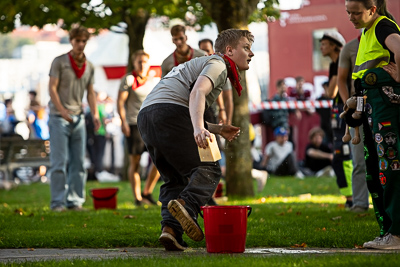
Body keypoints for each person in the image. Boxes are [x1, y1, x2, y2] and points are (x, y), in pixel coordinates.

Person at [137, 29, 253, 251]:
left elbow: (184, 109)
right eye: (246, 48)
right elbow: (197, 93)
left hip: (147, 116)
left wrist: (217, 129)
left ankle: (170, 232)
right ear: (229, 50)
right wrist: (200, 128)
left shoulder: (197, 63)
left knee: (174, 179)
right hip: (168, 112)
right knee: (209, 170)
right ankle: (185, 206)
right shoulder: (218, 63)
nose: (251, 53)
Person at [346, 0, 400, 249]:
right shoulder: (367, 31)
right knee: (377, 171)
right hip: (371, 107)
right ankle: (388, 232)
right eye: (348, 12)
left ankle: (397, 234)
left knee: (390, 168)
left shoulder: (382, 26)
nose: (351, 17)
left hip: (384, 107)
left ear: (373, 9)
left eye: (356, 12)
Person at [48, 26, 100, 212]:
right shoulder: (59, 61)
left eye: (84, 41)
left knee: (79, 163)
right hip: (58, 117)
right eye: (77, 41)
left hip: (78, 119)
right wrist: (61, 111)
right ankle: (57, 203)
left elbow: (91, 93)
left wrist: (95, 114)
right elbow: (52, 88)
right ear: (71, 41)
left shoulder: (90, 66)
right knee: (59, 162)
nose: (80, 44)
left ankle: (75, 201)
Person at [117, 50, 161, 206]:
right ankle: (137, 198)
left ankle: (147, 192)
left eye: (144, 61)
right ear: (134, 63)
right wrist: (123, 122)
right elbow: (120, 103)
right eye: (139, 62)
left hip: (152, 125)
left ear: (149, 63)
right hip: (134, 124)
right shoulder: (128, 79)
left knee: (159, 160)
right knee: (134, 161)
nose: (142, 64)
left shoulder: (155, 80)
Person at [320, 31, 354, 208]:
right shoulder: (336, 62)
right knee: (341, 156)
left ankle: (352, 198)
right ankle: (351, 198)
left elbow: (331, 92)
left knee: (343, 155)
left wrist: (328, 86)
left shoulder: (338, 62)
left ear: (334, 45)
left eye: (324, 44)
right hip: (341, 111)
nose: (320, 48)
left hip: (344, 110)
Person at [337, 35, 369, 213]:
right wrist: (348, 104)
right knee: (358, 160)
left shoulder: (388, 38)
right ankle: (360, 204)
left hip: (384, 107)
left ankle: (390, 205)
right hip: (357, 112)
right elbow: (341, 79)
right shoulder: (350, 48)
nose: (353, 17)